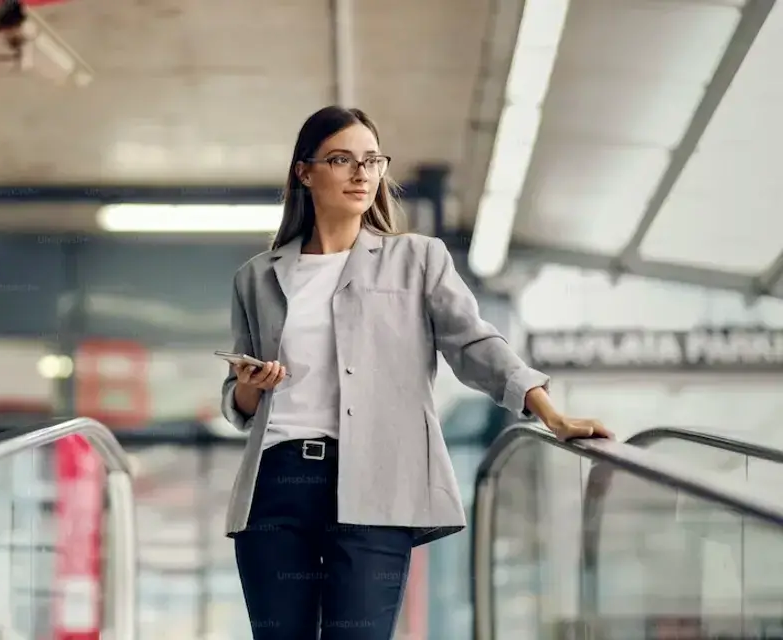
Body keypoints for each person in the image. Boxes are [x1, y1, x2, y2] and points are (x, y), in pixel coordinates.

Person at [219, 105, 612, 639]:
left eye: (372, 160)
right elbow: (239, 403)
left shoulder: (418, 260)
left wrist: (551, 414)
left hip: (376, 485)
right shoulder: (257, 277)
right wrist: (246, 387)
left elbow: (474, 343)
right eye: (341, 159)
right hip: (276, 486)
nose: (361, 173)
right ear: (304, 172)